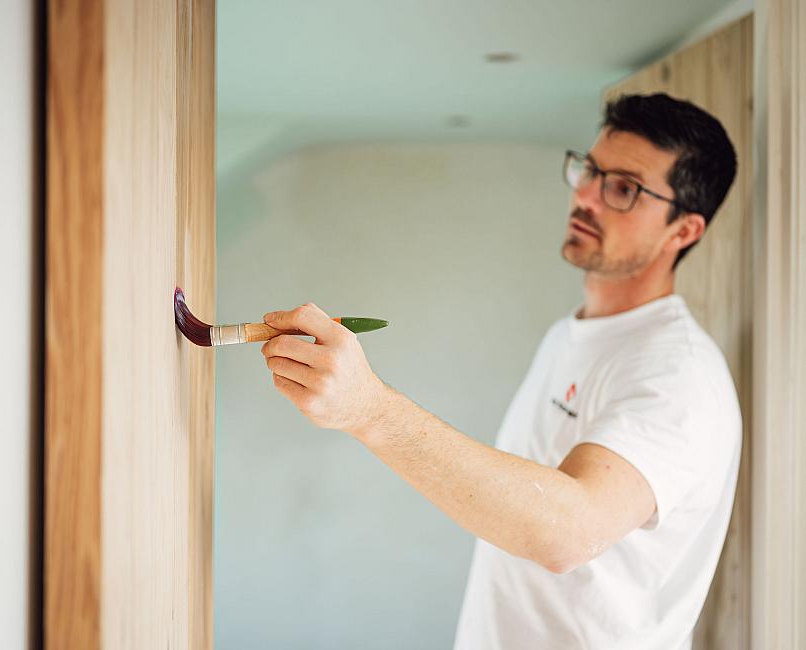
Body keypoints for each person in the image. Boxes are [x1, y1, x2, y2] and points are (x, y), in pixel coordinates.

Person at [258, 93, 742, 650]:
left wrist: (371, 411)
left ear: (682, 231)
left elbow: (568, 533)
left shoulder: (678, 376)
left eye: (624, 188)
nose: (584, 195)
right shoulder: (571, 334)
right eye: (590, 170)